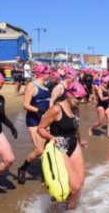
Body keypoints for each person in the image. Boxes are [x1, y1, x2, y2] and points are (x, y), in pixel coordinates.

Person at [37, 81, 87, 210]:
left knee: (80, 183)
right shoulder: (56, 109)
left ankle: (71, 209)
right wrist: (52, 138)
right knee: (74, 186)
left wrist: (80, 140)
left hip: (73, 144)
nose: (81, 101)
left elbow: (76, 126)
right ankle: (58, 205)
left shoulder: (75, 108)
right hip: (60, 146)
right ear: (69, 94)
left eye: (82, 98)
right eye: (79, 98)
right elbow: (40, 129)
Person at [17, 64, 51, 184]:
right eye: (49, 73)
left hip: (45, 121)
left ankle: (45, 176)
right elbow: (25, 105)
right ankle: (23, 168)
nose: (50, 75)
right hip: (33, 121)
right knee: (39, 150)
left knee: (48, 149)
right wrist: (40, 111)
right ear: (44, 73)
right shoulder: (32, 85)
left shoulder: (46, 86)